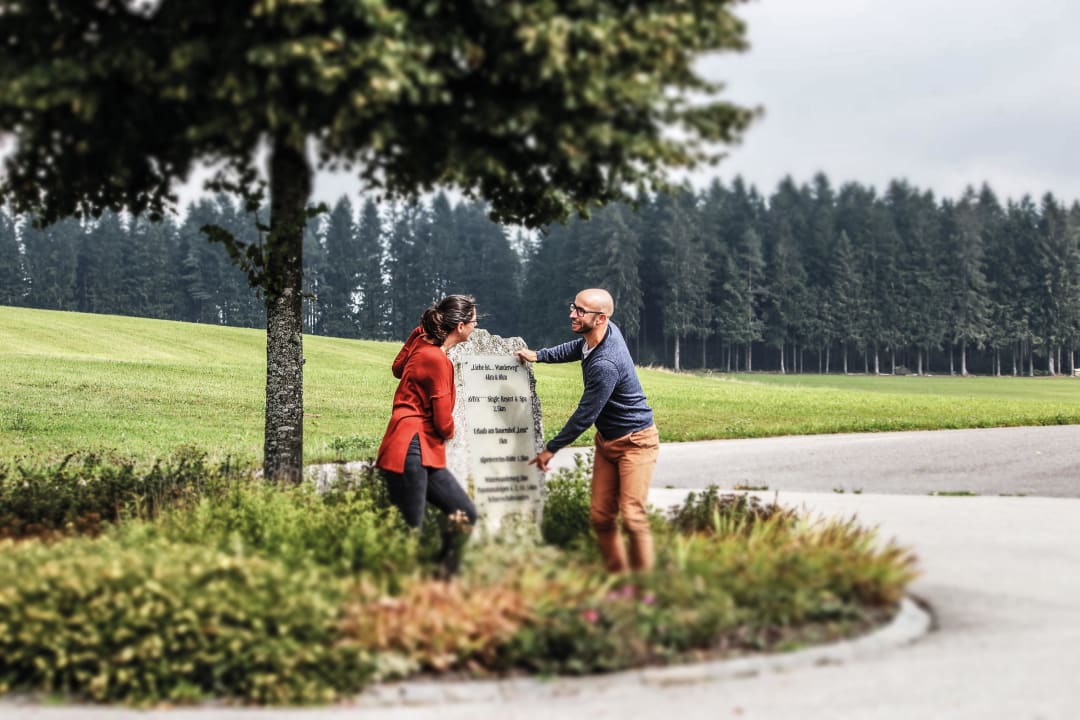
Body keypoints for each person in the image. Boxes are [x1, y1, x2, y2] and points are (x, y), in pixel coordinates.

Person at [514, 288, 659, 572]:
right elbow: (577, 348)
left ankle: (644, 584)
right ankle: (618, 576)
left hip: (636, 442)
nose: (572, 314)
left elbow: (585, 415)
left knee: (633, 517)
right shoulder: (601, 333)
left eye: (580, 311)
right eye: (573, 306)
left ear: (601, 318)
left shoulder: (606, 363)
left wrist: (550, 449)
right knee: (601, 517)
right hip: (607, 441)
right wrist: (539, 356)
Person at [376, 294, 479, 577]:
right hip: (410, 448)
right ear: (460, 326)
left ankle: (441, 577)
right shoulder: (438, 360)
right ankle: (398, 588)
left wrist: (416, 333)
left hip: (420, 450)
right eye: (473, 321)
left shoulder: (422, 342)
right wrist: (452, 431)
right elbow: (443, 422)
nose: (476, 325)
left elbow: (398, 368)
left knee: (464, 512)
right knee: (410, 530)